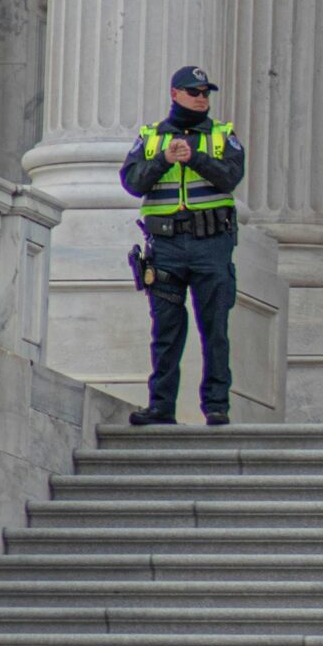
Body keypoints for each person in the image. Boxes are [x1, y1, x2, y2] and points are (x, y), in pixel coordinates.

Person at [119, 65, 245, 428]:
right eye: (194, 92)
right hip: (166, 246)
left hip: (212, 245)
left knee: (214, 328)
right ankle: (161, 406)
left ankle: (216, 406)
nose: (201, 98)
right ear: (175, 94)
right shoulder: (152, 137)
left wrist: (196, 157)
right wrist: (164, 160)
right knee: (166, 331)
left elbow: (231, 177)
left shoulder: (222, 135)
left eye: (205, 93)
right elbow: (132, 182)